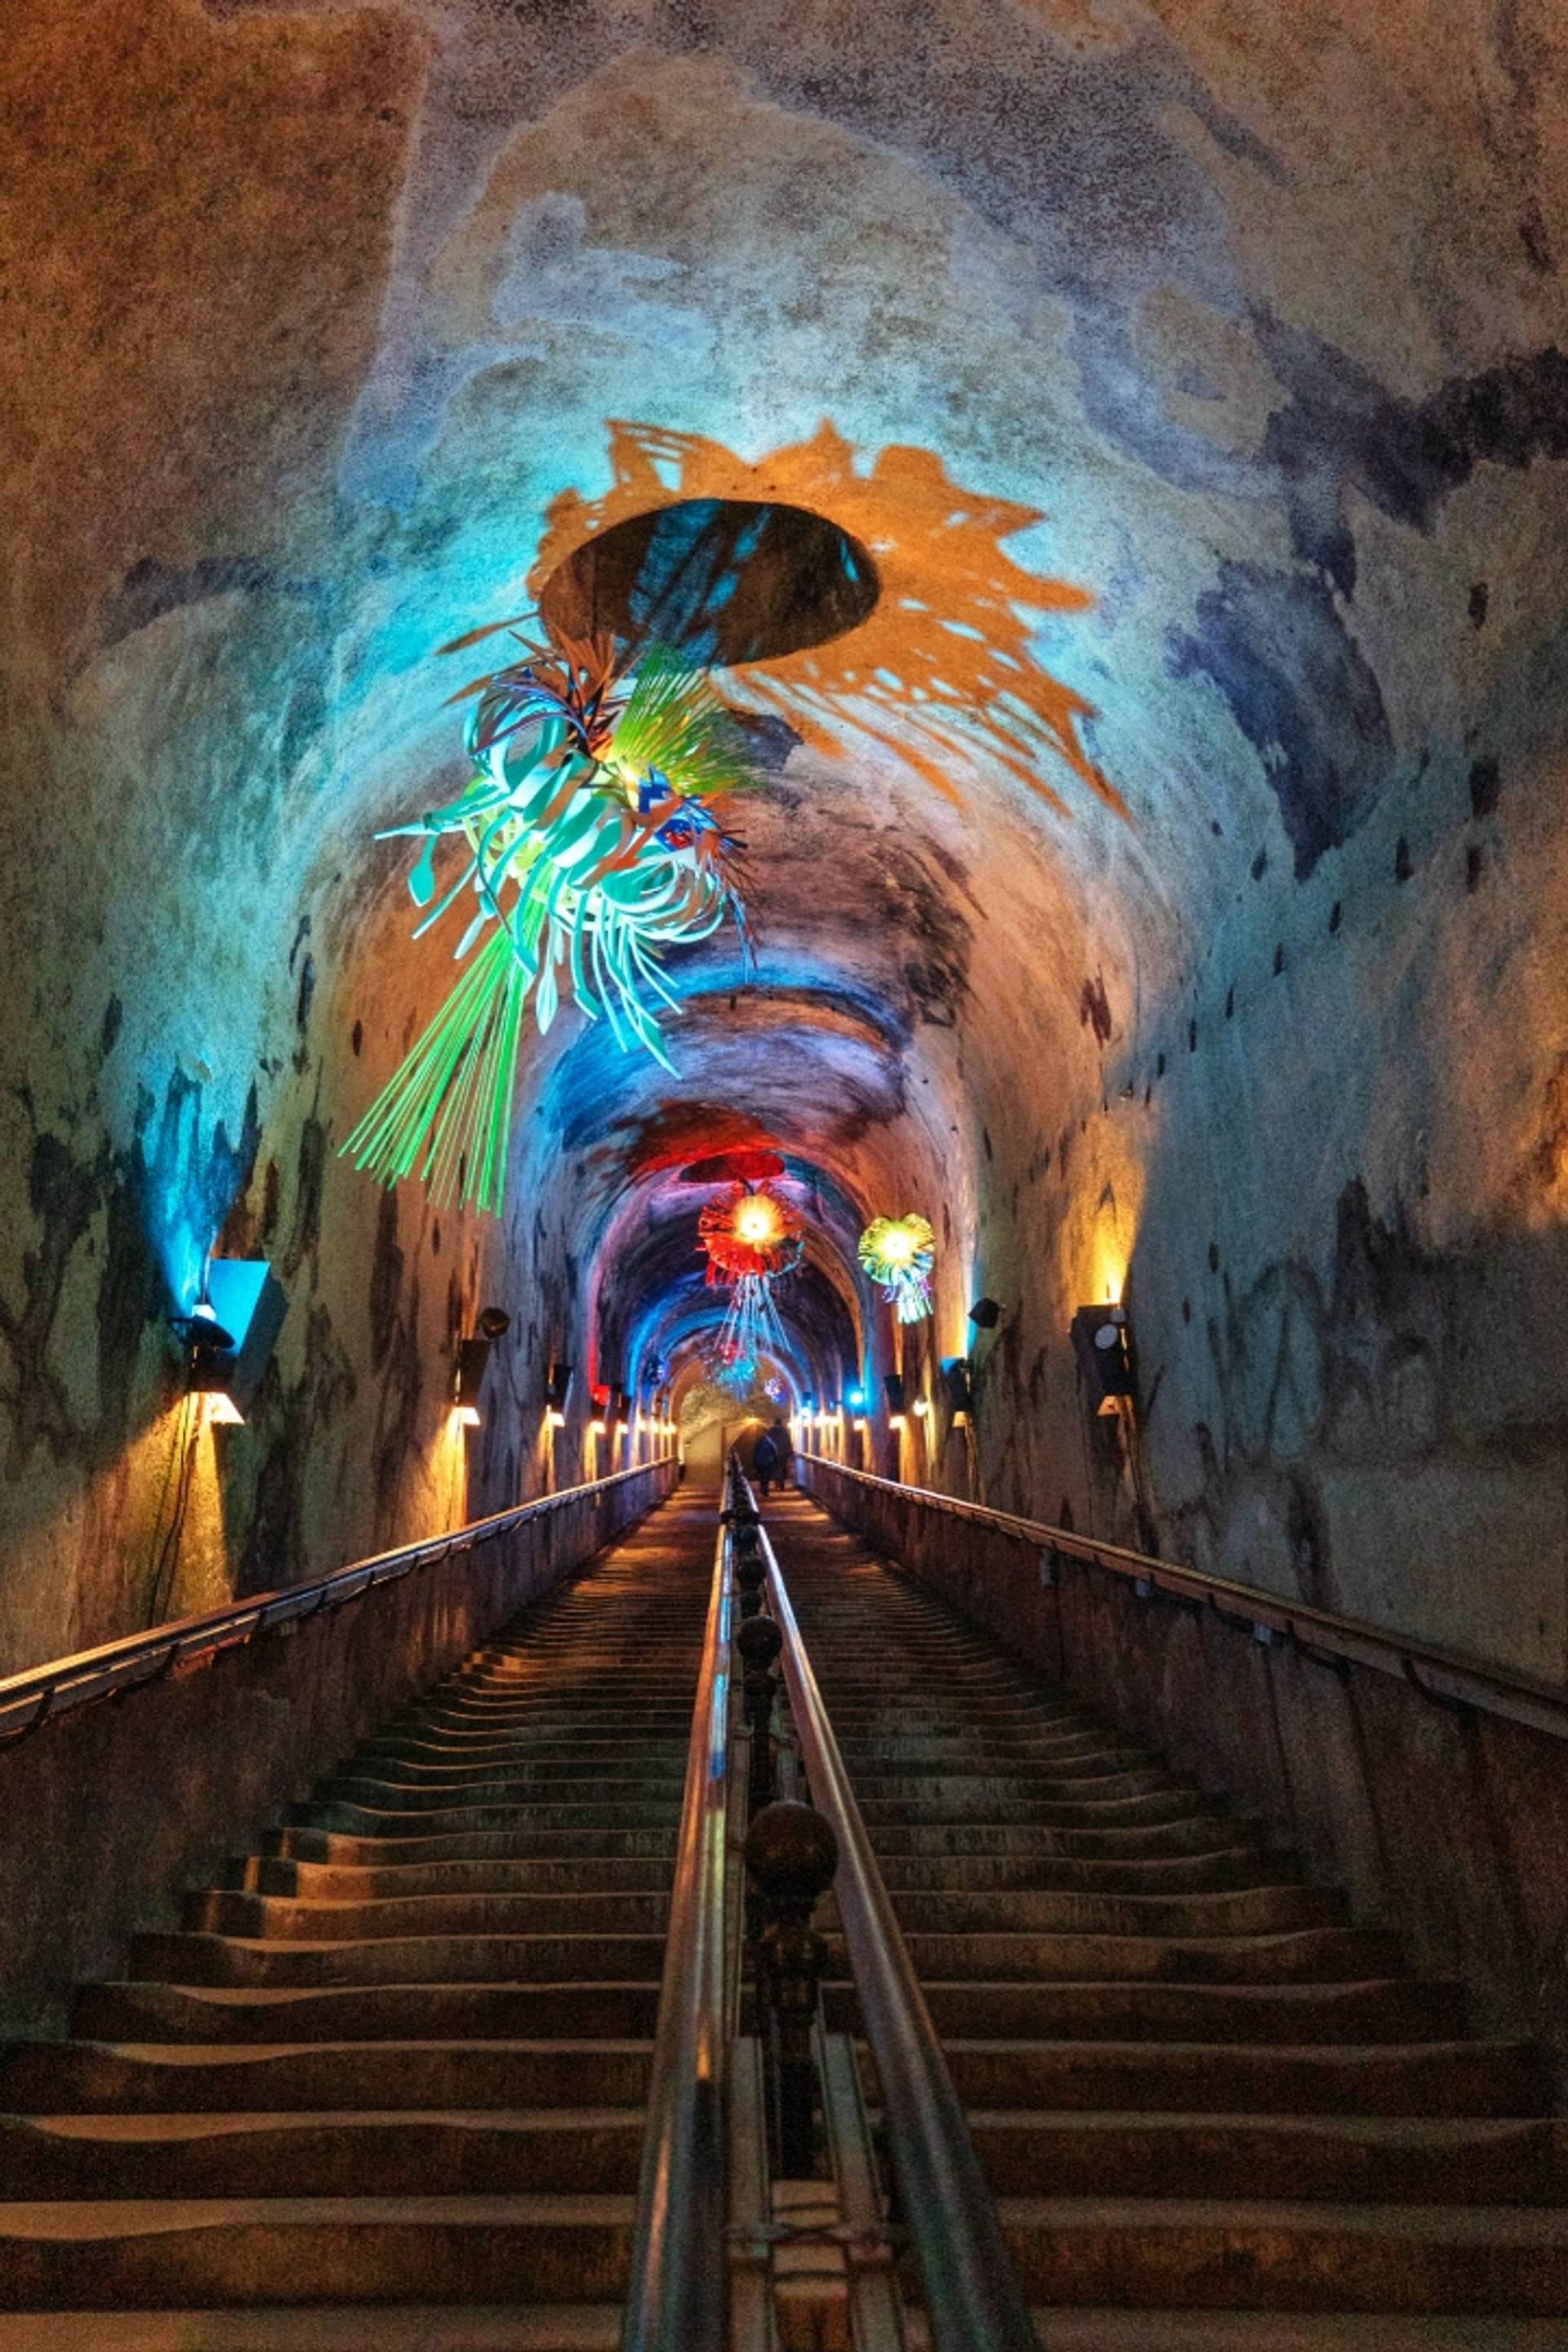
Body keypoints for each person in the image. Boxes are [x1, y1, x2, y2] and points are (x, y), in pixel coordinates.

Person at [768, 1416, 795, 1490]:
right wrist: (790, 1452)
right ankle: (782, 1482)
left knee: (775, 1468)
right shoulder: (785, 1432)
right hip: (783, 1454)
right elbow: (788, 1443)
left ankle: (777, 1482)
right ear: (781, 1423)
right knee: (782, 1467)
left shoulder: (770, 1432)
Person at [752, 1428, 779, 1498]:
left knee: (765, 1477)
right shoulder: (768, 1442)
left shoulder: (762, 1442)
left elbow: (756, 1452)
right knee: (764, 1477)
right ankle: (764, 1490)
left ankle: (764, 1490)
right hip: (764, 1462)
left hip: (765, 1462)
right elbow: (774, 1451)